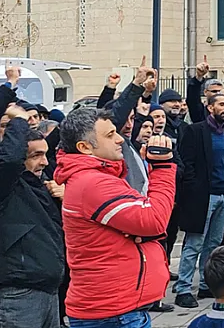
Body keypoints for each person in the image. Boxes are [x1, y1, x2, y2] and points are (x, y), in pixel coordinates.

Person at [54, 106, 177, 327]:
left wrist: (140, 232)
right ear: (84, 147)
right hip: (113, 312)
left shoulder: (97, 176)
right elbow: (154, 220)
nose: (120, 139)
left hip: (116, 308)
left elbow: (144, 222)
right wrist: (163, 167)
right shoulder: (92, 182)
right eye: (110, 135)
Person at [0, 116, 64, 328]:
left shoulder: (39, 188)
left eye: (45, 154)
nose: (44, 162)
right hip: (14, 296)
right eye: (36, 155)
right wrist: (18, 121)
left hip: (48, 293)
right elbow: (7, 161)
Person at [175, 89, 224, 308]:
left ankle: (206, 285)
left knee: (214, 244)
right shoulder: (196, 131)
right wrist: (193, 189)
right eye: (221, 105)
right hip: (202, 196)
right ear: (210, 108)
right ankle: (183, 288)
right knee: (194, 243)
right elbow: (186, 163)